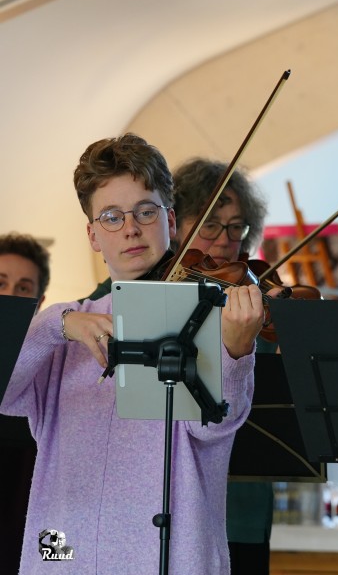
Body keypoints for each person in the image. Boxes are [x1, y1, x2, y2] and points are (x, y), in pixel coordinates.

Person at [0, 133, 266, 574]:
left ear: (172, 222)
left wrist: (236, 352)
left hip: (171, 554)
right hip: (63, 552)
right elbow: (5, 392)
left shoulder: (205, 316)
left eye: (146, 211)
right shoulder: (67, 329)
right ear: (92, 235)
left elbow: (213, 431)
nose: (130, 228)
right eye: (110, 216)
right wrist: (57, 323)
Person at [172, 157, 274, 575]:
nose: (225, 240)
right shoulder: (153, 290)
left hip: (242, 506)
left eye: (237, 226)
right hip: (170, 504)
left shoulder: (256, 304)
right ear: (176, 223)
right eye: (210, 224)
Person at [0, 233, 50, 574]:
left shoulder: (50, 365)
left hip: (29, 529)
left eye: (22, 287)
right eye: (0, 283)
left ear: (39, 301)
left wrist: (60, 557)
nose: (8, 295)